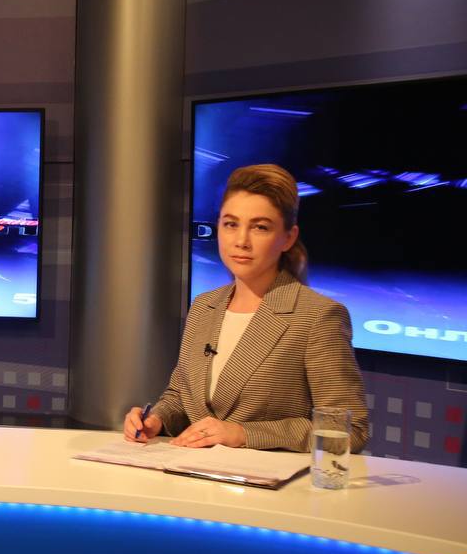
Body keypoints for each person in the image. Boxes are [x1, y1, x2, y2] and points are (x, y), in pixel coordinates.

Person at [123, 164, 368, 452]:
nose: (241, 241)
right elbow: (180, 397)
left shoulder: (318, 316)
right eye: (231, 224)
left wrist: (243, 433)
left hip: (265, 479)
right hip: (190, 471)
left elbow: (349, 430)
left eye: (260, 227)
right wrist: (156, 420)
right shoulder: (203, 306)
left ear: (288, 237)